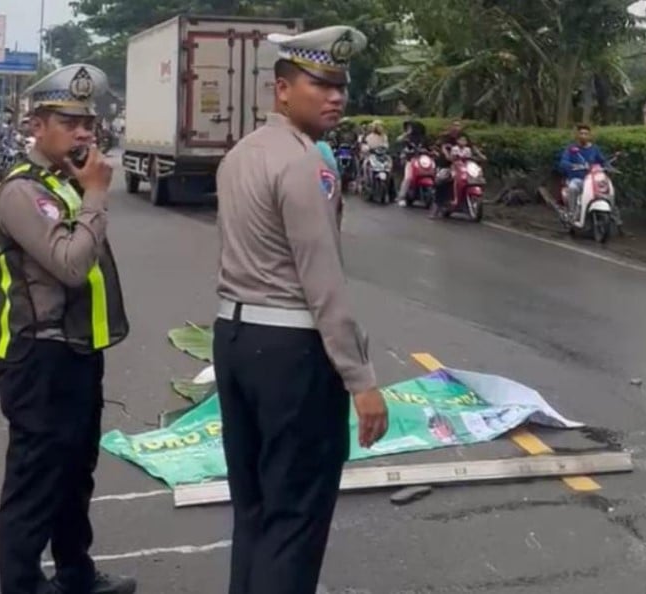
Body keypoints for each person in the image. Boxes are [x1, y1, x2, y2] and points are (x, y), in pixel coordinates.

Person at [213, 25, 389, 594]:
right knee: (295, 518)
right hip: (292, 353)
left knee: (256, 508)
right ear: (282, 89)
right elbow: (323, 280)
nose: (335, 96)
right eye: (320, 84)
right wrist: (360, 379)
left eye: (341, 86)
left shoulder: (240, 154)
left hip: (235, 340)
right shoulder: (306, 163)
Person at [0, 64, 136, 594]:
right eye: (70, 122)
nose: (84, 133)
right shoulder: (21, 192)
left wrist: (85, 191)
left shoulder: (63, 183)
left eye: (88, 122)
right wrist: (96, 194)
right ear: (37, 125)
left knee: (75, 476)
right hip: (38, 359)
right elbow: (71, 264)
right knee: (34, 484)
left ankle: (77, 576)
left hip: (77, 352)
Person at [559, 123, 608, 218]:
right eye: (581, 133)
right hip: (578, 179)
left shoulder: (595, 149)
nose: (583, 136)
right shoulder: (571, 148)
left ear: (590, 136)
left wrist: (607, 166)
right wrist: (573, 165)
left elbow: (603, 161)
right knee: (573, 188)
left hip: (592, 180)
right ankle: (572, 213)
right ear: (577, 135)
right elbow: (563, 162)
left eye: (586, 134)